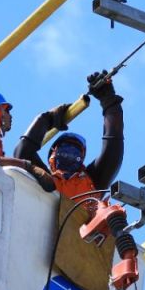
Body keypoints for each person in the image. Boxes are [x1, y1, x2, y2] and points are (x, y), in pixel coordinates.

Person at [14, 70, 123, 201]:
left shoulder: (93, 182)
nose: (69, 154)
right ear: (52, 156)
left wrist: (109, 101)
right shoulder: (42, 177)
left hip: (81, 215)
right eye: (63, 149)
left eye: (76, 152)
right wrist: (47, 119)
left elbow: (113, 146)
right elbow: (22, 152)